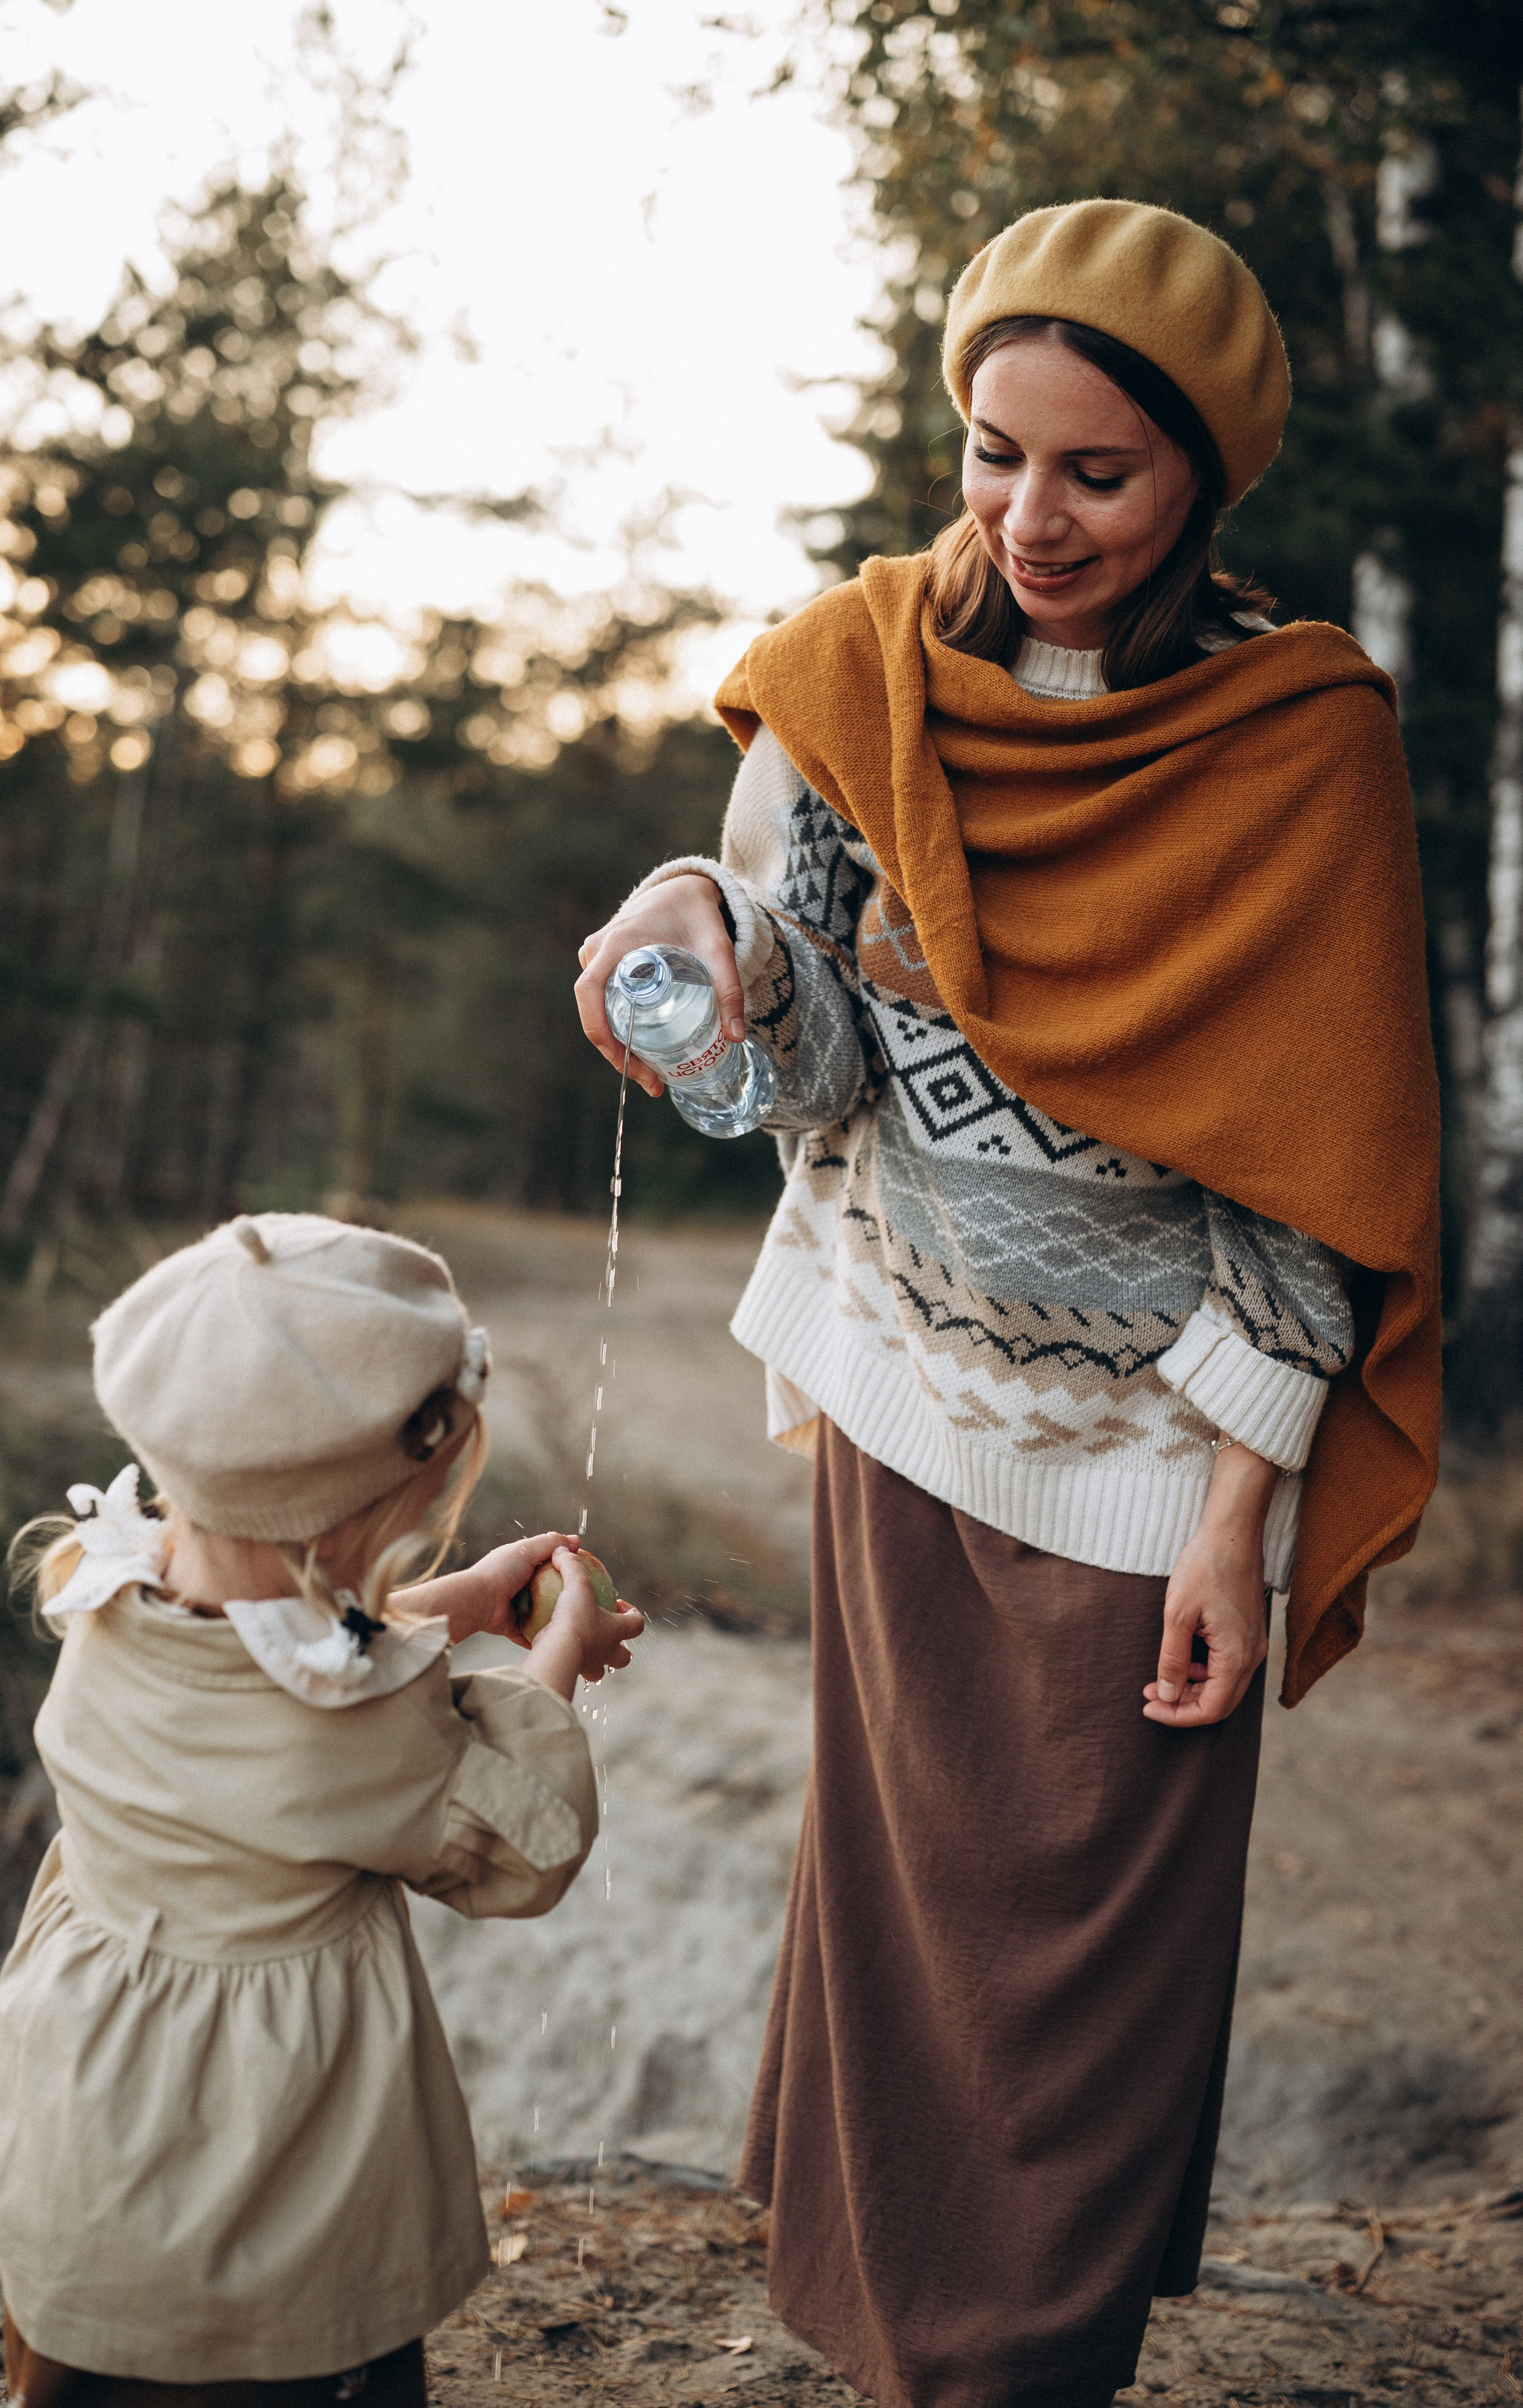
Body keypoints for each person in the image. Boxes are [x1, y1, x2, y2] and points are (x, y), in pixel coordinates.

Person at [575, 200, 1441, 2408]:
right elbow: (812, 1068)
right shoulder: (861, 674)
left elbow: (1326, 1172)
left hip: (1149, 1454)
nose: (1029, 521)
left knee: (1080, 1992)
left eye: (1096, 472)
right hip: (896, 1389)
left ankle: (1014, 2369)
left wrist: (1242, 1510)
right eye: (992, 454)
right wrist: (708, 930)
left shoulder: (1297, 739)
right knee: (899, 1918)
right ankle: (904, 2359)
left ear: (1201, 480)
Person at [0, 1209, 643, 2407]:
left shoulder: (111, 1596)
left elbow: (286, 1650)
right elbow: (519, 1838)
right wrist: (559, 1652)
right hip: (271, 2179)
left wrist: (462, 1602)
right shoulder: (362, 1731)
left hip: (89, 2141)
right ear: (358, 1522)